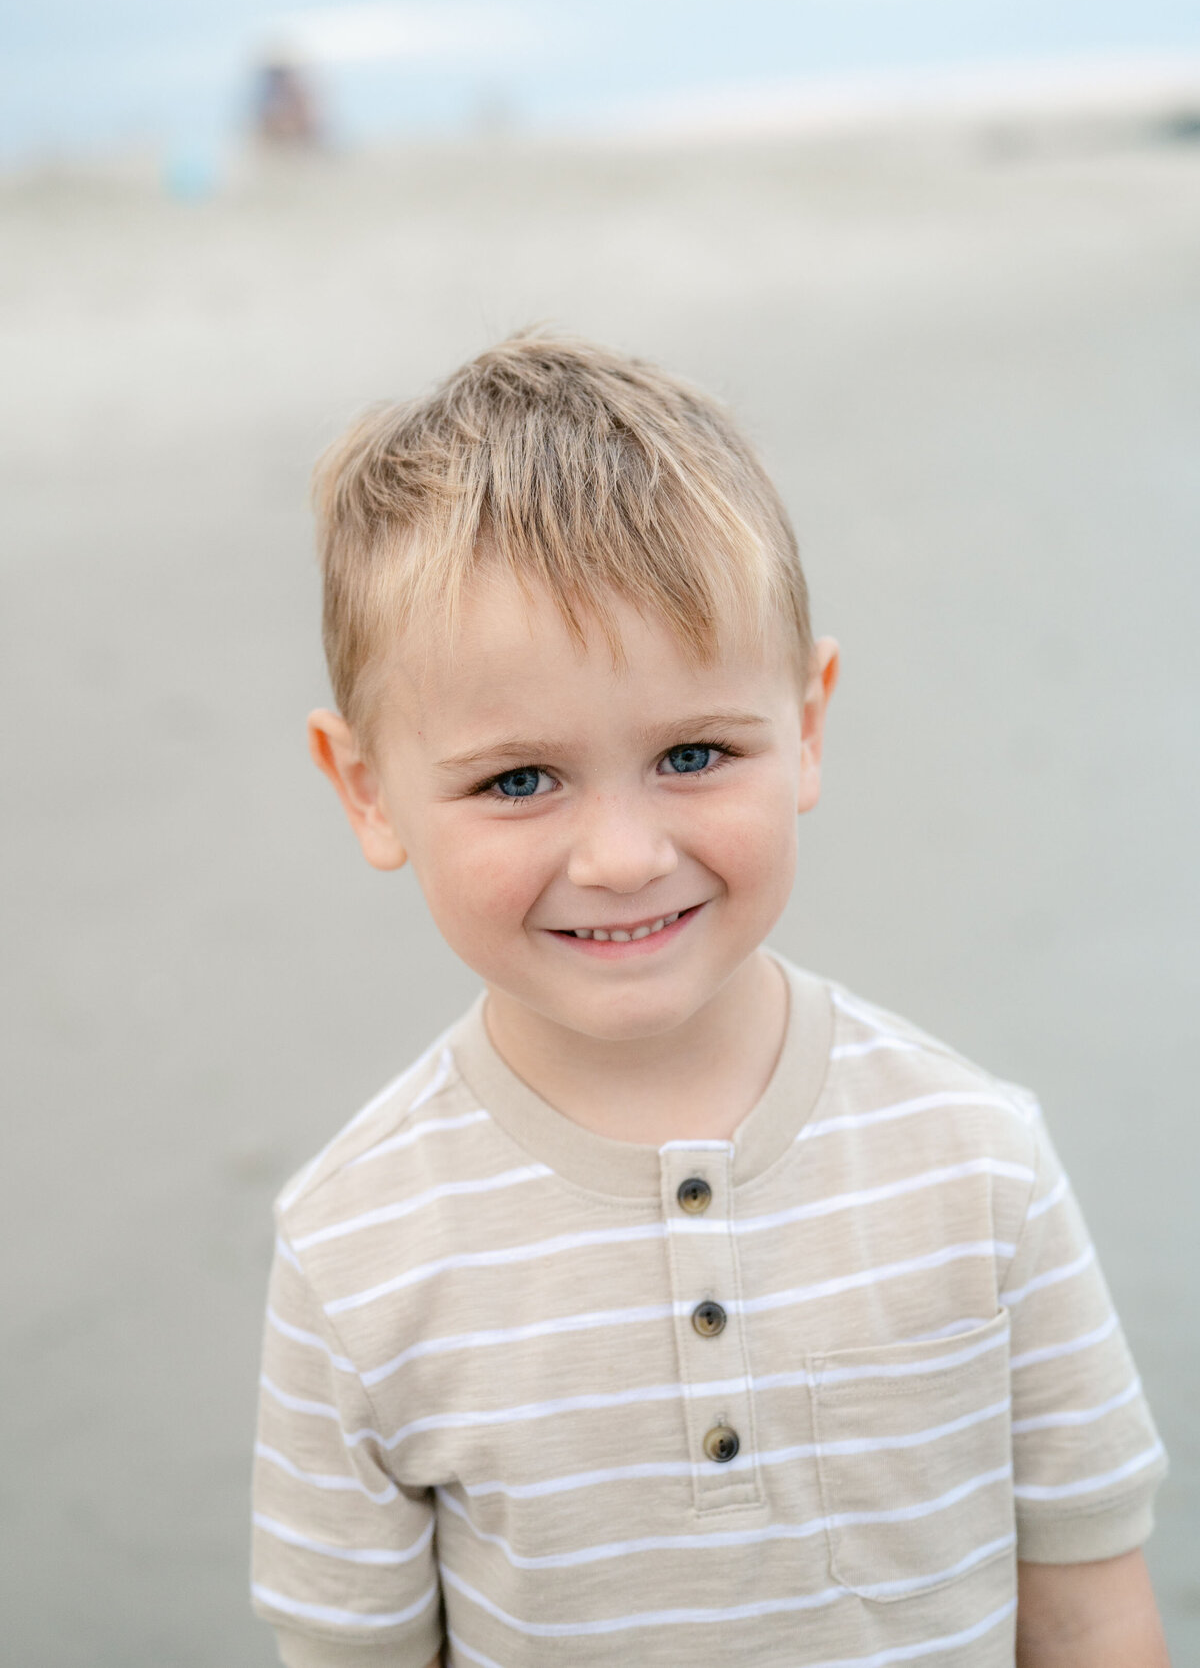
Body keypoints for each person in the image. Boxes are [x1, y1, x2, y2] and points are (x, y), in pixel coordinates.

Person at [250, 333, 1169, 1667]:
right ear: (367, 789)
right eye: (519, 780)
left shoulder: (978, 1166)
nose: (622, 856)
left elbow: (1088, 1610)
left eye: (692, 753)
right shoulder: (358, 1251)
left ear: (806, 725)